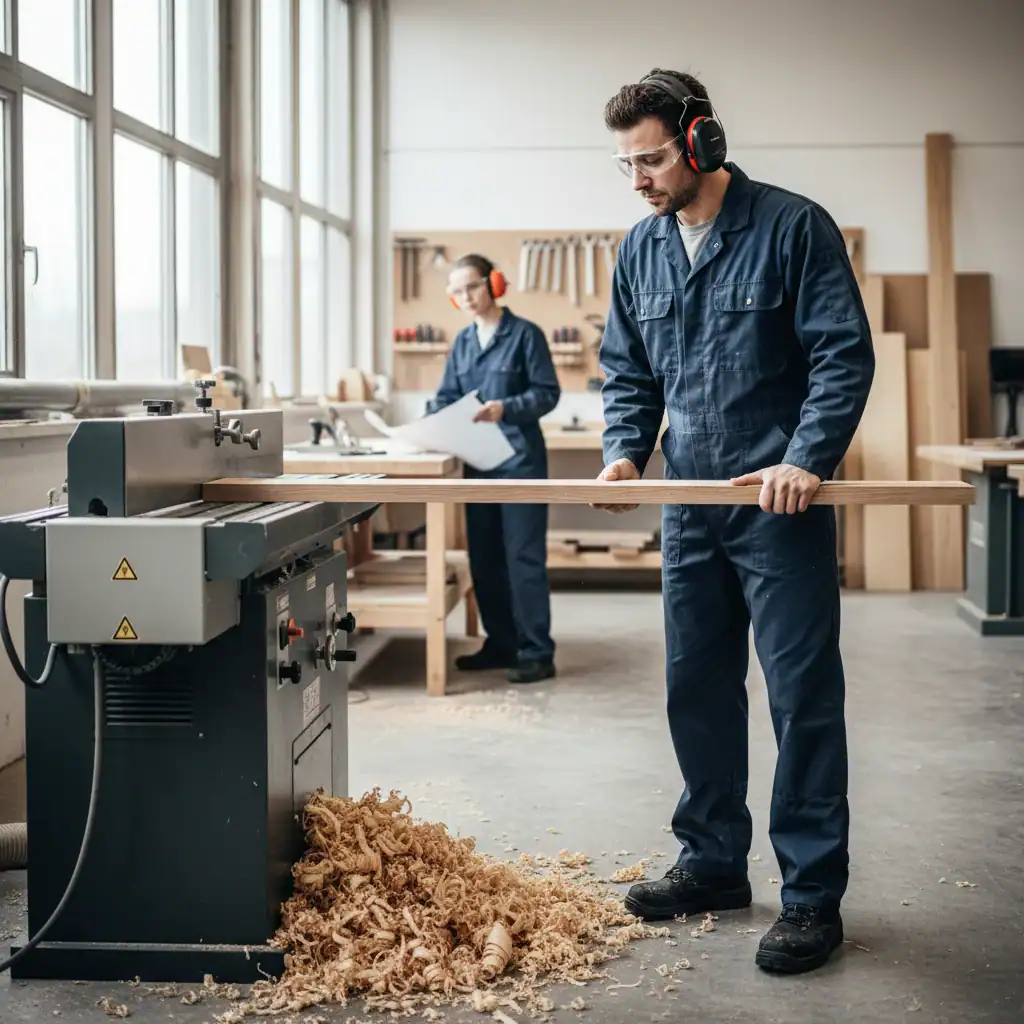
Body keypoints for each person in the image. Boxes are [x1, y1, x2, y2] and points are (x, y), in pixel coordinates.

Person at [595, 69, 875, 974]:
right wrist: (624, 453)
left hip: (775, 506)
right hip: (689, 507)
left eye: (647, 159)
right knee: (697, 689)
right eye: (624, 164)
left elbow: (841, 355)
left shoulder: (792, 227)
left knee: (802, 701)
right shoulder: (640, 250)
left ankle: (809, 898)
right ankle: (713, 863)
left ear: (699, 141)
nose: (636, 178)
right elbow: (629, 372)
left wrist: (807, 457)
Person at [430, 254, 560, 684]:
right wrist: (429, 419)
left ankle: (537, 651)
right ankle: (502, 643)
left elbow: (547, 393)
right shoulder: (463, 343)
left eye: (470, 287)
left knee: (522, 557)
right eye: (456, 291)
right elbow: (446, 395)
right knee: (484, 558)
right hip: (478, 464)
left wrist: (507, 408)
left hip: (520, 464)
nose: (464, 297)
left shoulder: (526, 335)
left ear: (494, 284)